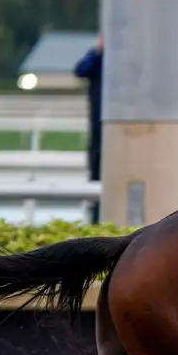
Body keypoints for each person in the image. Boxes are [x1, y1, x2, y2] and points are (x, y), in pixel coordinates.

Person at [74, 35, 104, 222]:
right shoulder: (97, 58)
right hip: (98, 126)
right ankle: (95, 217)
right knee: (96, 169)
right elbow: (80, 70)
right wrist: (97, 52)